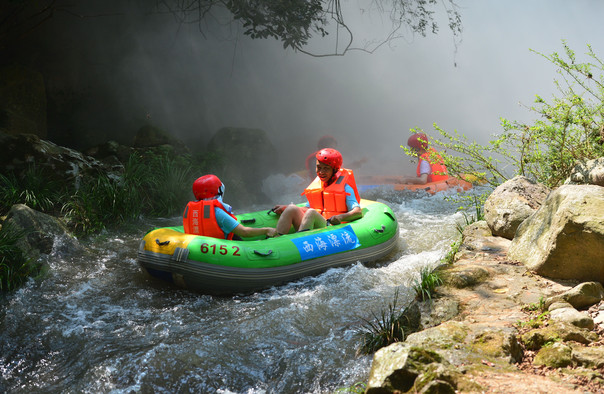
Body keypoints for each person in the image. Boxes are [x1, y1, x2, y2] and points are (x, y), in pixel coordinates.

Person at [273, 148, 363, 234]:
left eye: (326, 168)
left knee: (311, 213)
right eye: (319, 167)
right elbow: (307, 208)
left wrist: (340, 217)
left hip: (331, 227)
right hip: (315, 225)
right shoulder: (317, 187)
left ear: (334, 170)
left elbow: (357, 212)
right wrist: (285, 208)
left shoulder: (346, 188)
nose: (321, 172)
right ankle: (276, 238)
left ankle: (300, 240)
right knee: (292, 208)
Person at [183, 174, 278, 239]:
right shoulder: (217, 212)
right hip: (219, 254)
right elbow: (244, 232)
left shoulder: (190, 211)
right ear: (217, 191)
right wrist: (266, 230)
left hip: (200, 250)